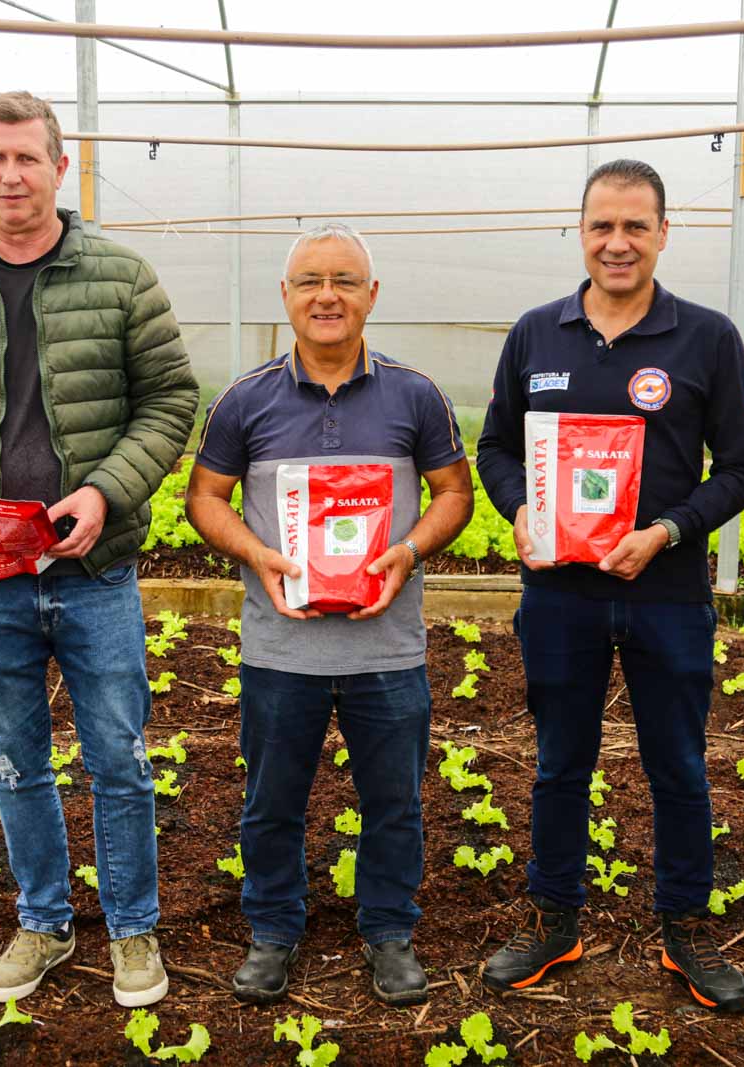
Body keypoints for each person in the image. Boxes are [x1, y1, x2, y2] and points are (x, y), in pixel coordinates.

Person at [0, 91, 197, 1008]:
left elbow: (171, 398)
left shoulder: (122, 277)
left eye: (27, 157)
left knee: (118, 756)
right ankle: (45, 920)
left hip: (93, 569)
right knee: (15, 758)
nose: (10, 175)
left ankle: (132, 927)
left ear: (60, 166)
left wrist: (105, 491)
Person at [474, 159, 744, 1011]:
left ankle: (685, 926)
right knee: (559, 761)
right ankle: (555, 918)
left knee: (678, 763)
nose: (618, 241)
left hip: (666, 591)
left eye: (636, 225)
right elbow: (495, 446)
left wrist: (667, 530)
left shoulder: (707, 337)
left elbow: (740, 467)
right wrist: (520, 510)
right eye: (602, 224)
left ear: (664, 233)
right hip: (560, 593)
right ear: (581, 231)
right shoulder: (537, 333)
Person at [185, 223, 473, 1006]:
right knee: (271, 803)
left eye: (345, 280)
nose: (327, 295)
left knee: (394, 804)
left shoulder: (415, 395)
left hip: (388, 648)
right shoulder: (245, 399)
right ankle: (273, 928)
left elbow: (455, 492)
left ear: (371, 295)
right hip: (281, 648)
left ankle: (389, 929)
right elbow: (204, 498)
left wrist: (408, 550)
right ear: (285, 295)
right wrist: (257, 553)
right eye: (310, 280)